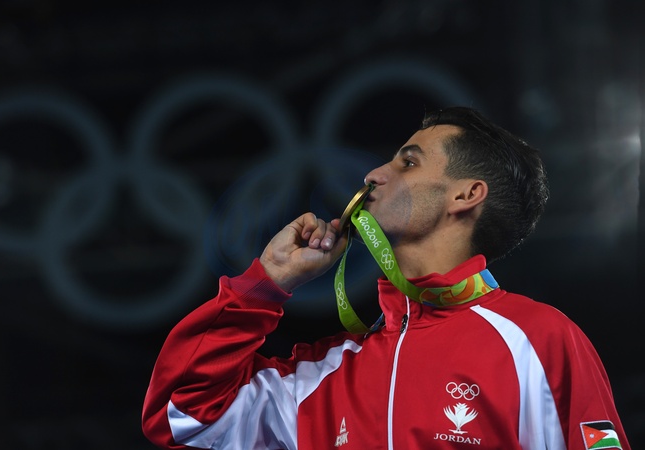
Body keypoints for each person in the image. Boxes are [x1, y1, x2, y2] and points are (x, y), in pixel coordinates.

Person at [141, 106, 631, 449]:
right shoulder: (325, 375)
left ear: (466, 195)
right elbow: (181, 415)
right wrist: (265, 285)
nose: (373, 173)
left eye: (408, 162)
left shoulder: (539, 340)